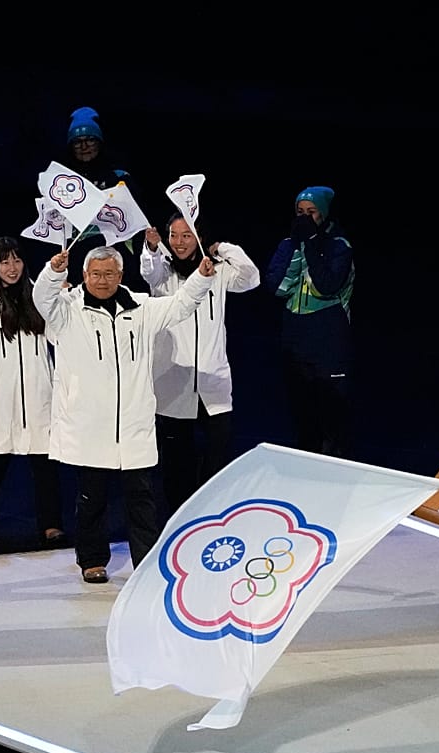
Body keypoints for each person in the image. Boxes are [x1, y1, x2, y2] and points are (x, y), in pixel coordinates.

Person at [33, 246, 215, 583]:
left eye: (109, 274)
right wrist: (54, 271)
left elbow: (179, 305)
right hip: (91, 424)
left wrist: (202, 279)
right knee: (92, 496)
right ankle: (92, 559)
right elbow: (41, 298)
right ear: (85, 276)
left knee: (142, 497)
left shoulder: (141, 308)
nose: (102, 281)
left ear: (120, 275)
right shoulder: (68, 310)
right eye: (95, 274)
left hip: (133, 423)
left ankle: (145, 562)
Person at [140, 215, 260, 515]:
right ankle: (179, 518)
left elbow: (250, 277)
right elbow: (149, 272)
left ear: (199, 238)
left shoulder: (217, 272)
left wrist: (223, 249)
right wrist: (152, 248)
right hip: (173, 383)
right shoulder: (163, 274)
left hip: (212, 382)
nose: (179, 242)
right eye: (173, 235)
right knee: (176, 464)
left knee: (217, 458)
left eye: (186, 235)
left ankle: (212, 515)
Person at [0, 237, 65, 545]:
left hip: (38, 393)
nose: (12, 268)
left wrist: (62, 299)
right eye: (5, 262)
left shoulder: (38, 296)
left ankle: (50, 523)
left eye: (17, 261)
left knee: (45, 462)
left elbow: (57, 333)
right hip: (1, 395)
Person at [260, 185, 355, 458]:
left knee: (332, 426)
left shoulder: (340, 247)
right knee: (304, 423)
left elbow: (327, 285)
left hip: (328, 347)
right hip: (296, 346)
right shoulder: (289, 245)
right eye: (299, 212)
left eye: (311, 212)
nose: (304, 218)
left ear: (323, 214)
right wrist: (296, 247)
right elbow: (275, 287)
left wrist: (312, 242)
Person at [61, 106, 140, 285]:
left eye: (90, 140)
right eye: (77, 142)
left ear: (100, 142)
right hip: (76, 266)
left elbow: (136, 226)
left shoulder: (120, 178)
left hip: (116, 263)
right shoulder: (62, 182)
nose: (84, 147)